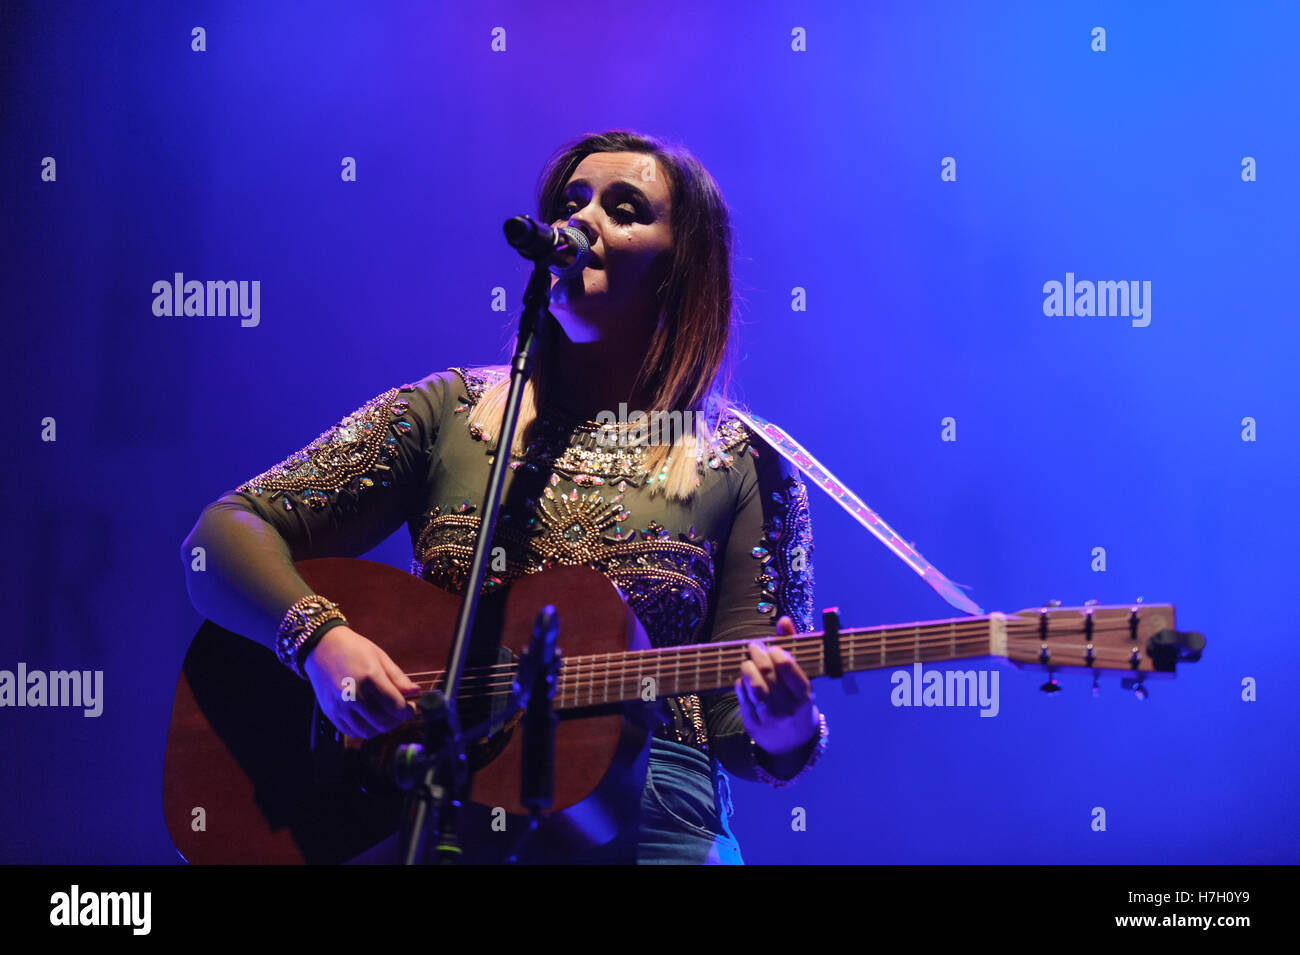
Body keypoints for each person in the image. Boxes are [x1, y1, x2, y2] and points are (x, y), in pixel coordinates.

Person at [181, 129, 828, 864]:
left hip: (652, 830)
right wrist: (322, 642)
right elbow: (219, 538)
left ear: (680, 269)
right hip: (445, 818)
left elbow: (745, 739)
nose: (580, 221)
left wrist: (785, 723)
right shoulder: (446, 414)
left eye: (623, 208)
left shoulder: (744, 460)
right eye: (570, 202)